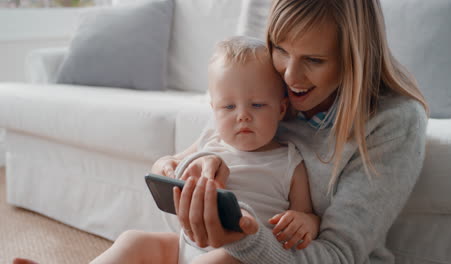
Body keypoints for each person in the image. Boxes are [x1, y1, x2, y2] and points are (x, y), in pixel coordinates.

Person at [152, 0, 430, 263]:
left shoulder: (394, 121)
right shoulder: (262, 80)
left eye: (314, 60)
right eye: (282, 50)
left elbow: (339, 255)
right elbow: (174, 162)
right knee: (135, 243)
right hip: (216, 248)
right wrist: (196, 163)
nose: (290, 77)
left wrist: (245, 241)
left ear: (354, 58)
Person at [90, 36, 320, 264]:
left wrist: (306, 222)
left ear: (281, 109)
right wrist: (163, 165)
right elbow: (170, 166)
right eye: (229, 106)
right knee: (133, 240)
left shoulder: (289, 161)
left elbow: (308, 214)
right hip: (186, 247)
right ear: (214, 109)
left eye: (257, 105)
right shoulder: (210, 140)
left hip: (241, 255)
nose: (242, 115)